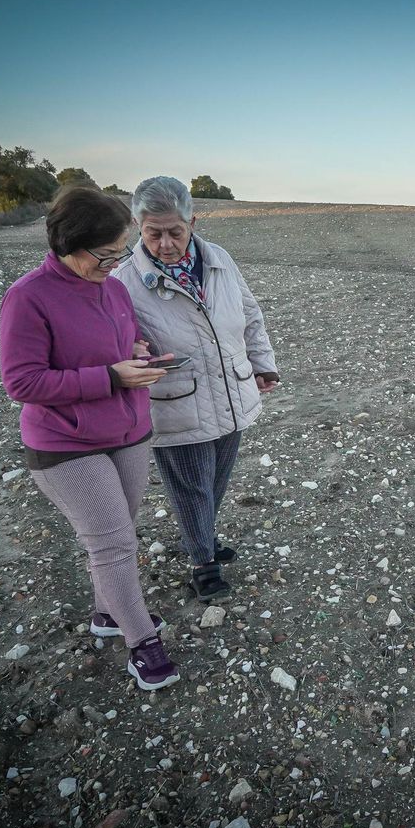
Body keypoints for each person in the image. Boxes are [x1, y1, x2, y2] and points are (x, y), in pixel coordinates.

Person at [0, 185, 180, 691]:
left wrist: (138, 354)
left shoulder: (114, 288)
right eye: (105, 255)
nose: (115, 263)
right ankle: (143, 645)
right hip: (66, 445)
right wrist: (111, 377)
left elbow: (122, 343)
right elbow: (22, 382)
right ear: (67, 245)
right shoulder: (28, 297)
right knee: (114, 544)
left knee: (119, 532)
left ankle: (107, 614)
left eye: (121, 252)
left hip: (130, 432)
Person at [112, 177, 280, 599]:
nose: (165, 243)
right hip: (175, 400)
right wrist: (131, 349)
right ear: (137, 226)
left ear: (193, 222)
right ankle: (203, 563)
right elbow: (111, 342)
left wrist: (262, 364)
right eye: (153, 233)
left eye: (175, 231)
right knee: (190, 486)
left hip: (232, 390)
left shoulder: (219, 259)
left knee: (216, 479)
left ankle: (202, 536)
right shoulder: (123, 280)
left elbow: (249, 313)